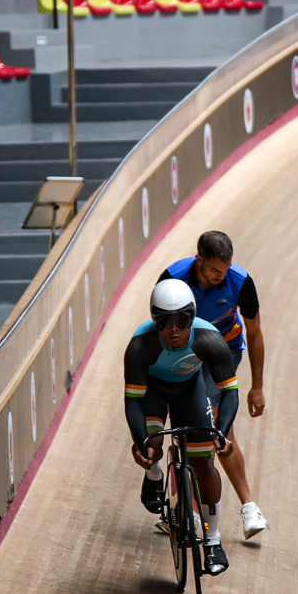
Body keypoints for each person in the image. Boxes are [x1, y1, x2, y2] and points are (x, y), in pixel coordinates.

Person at [124, 278, 240, 575]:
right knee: (153, 445)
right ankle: (154, 472)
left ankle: (212, 540)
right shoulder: (140, 345)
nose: (173, 329)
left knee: (203, 463)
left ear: (193, 315)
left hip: (190, 389)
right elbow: (133, 402)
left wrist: (222, 434)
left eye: (182, 320)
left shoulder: (209, 338)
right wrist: (142, 445)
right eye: (164, 322)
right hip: (153, 391)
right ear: (154, 321)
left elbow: (230, 392)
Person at [160, 232, 267, 539]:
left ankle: (248, 507)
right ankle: (183, 508)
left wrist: (256, 387)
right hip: (182, 351)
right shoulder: (173, 279)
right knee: (181, 425)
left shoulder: (240, 282)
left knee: (217, 425)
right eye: (214, 271)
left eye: (225, 270)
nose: (221, 277)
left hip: (222, 351)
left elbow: (256, 333)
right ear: (199, 261)